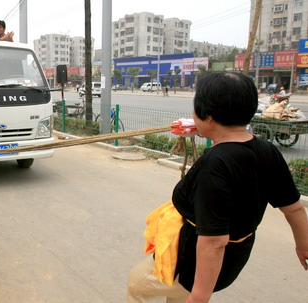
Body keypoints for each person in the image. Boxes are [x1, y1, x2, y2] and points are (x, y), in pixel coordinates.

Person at [127, 72, 308, 303]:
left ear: (208, 115)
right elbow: (293, 208)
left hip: (191, 264)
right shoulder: (266, 150)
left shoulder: (215, 165)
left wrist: (199, 297)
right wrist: (304, 245)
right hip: (234, 258)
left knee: (136, 284)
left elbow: (214, 241)